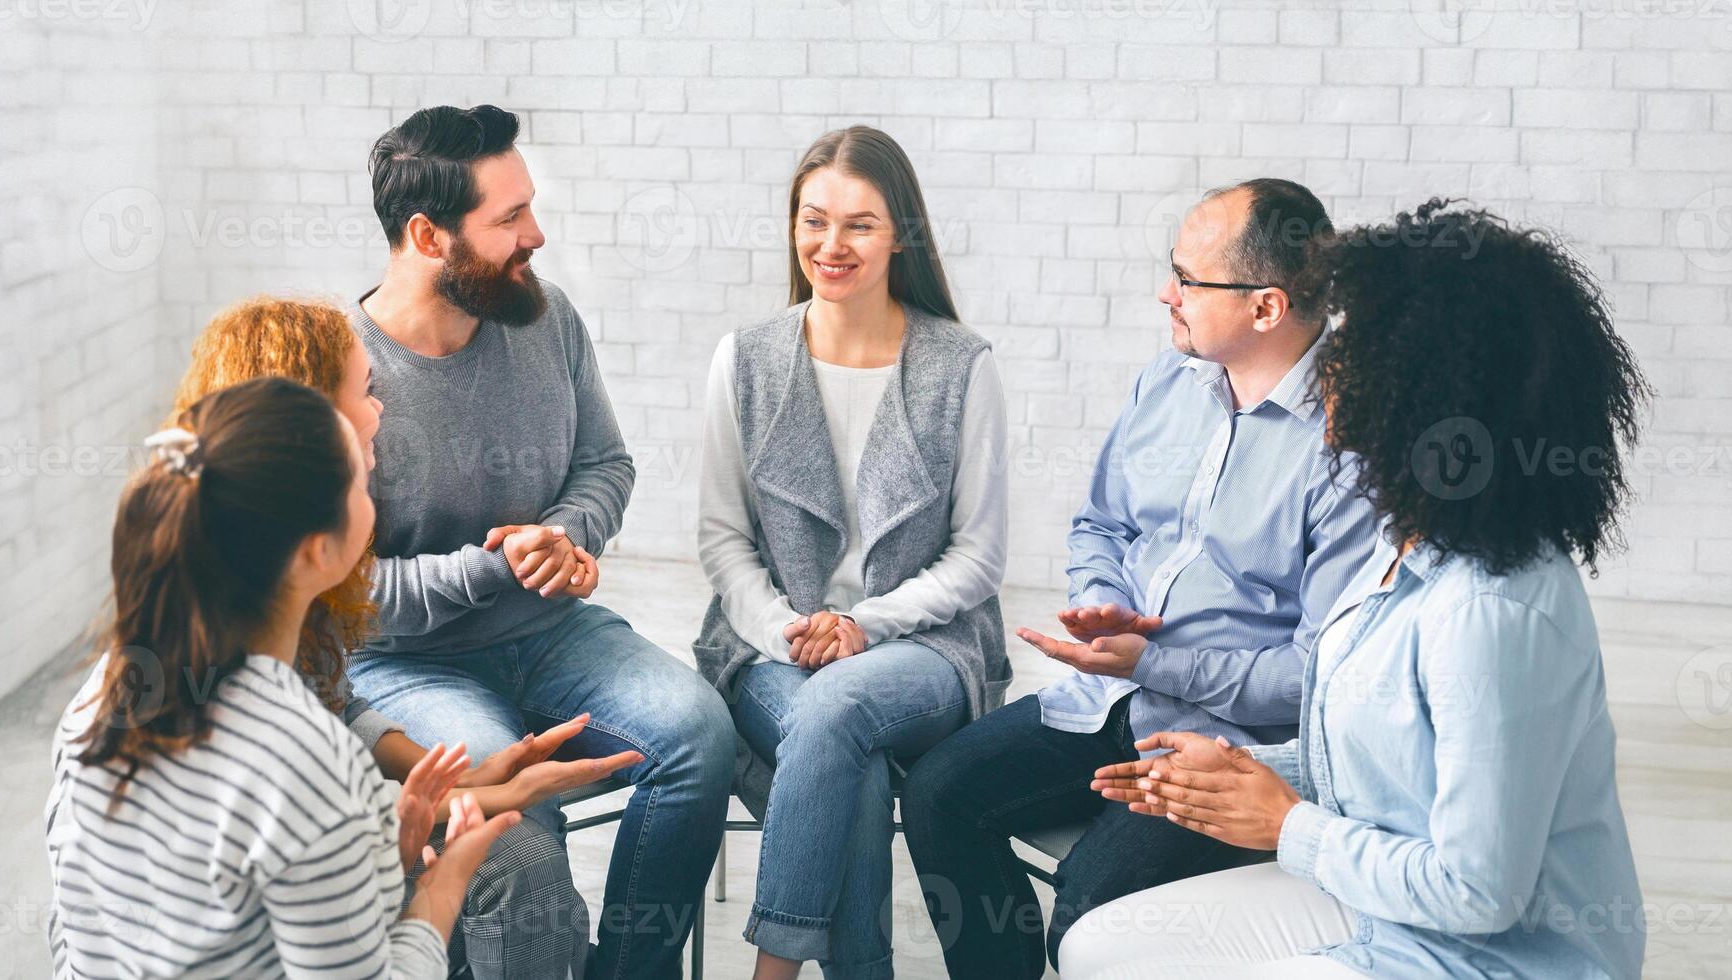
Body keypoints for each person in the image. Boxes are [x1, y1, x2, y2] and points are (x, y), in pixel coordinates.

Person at [1067, 200, 1650, 979]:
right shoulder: (1399, 540)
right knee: (1095, 949)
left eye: (1356, 344)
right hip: (1389, 900)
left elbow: (1478, 892)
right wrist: (1244, 770)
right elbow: (1387, 760)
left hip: (1499, 956)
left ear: (1425, 392)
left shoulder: (1488, 612)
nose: (1329, 360)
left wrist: (1283, 823)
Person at [899, 178, 1383, 977]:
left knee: (1092, 910)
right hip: (1106, 703)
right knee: (939, 792)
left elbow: (1315, 678)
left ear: (1265, 307)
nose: (1167, 294)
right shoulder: (1166, 382)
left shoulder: (1347, 445)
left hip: (1228, 751)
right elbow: (1101, 523)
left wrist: (1150, 661)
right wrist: (1101, 605)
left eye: (1189, 280)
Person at [345, 103, 736, 979]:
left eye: (530, 207)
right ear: (428, 235)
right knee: (518, 831)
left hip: (554, 635)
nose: (537, 234)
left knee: (698, 734)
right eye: (509, 218)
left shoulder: (546, 318)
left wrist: (564, 535)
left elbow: (606, 463)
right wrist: (495, 566)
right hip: (408, 664)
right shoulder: (342, 375)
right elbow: (344, 586)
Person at [171, 296, 639, 979]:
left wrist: (462, 783)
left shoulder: (253, 610)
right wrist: (446, 864)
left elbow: (332, 703)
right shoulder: (288, 768)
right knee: (525, 865)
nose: (383, 411)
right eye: (367, 392)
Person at [46, 377, 519, 977]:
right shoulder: (307, 759)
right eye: (357, 482)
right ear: (316, 551)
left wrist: (369, 858)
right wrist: (443, 885)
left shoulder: (101, 698)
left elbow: (74, 929)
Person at [693, 125, 1010, 980]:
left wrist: (863, 627)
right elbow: (722, 539)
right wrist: (787, 628)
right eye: (813, 221)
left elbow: (977, 558)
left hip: (923, 646)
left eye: (859, 224)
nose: (830, 246)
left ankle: (772, 970)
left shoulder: (961, 364)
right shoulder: (746, 359)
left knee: (834, 713)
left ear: (900, 231)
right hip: (772, 642)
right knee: (853, 770)